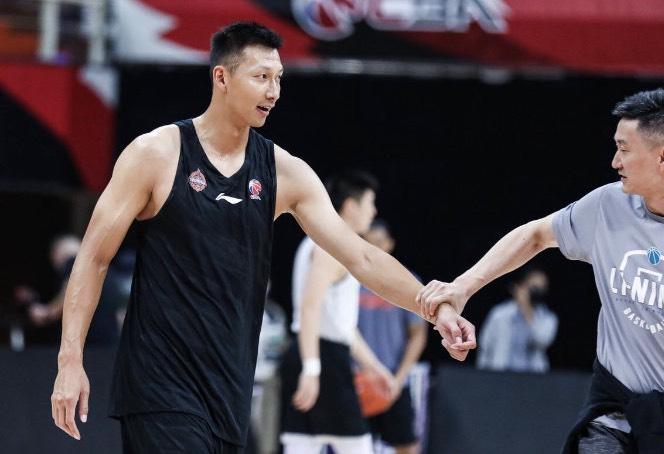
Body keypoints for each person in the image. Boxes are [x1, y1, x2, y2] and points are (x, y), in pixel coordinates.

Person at [50, 22, 475, 452]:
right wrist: (70, 359)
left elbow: (361, 257)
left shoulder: (283, 172)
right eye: (261, 77)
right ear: (221, 77)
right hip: (159, 385)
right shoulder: (155, 154)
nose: (273, 92)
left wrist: (433, 306)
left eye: (278, 79)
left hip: (229, 389)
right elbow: (94, 257)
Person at [419, 89, 664, 453]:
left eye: (624, 149)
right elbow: (535, 235)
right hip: (614, 413)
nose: (615, 161)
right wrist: (463, 286)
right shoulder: (609, 205)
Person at [281, 172, 397, 454]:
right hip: (322, 357)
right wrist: (312, 368)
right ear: (351, 206)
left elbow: (342, 324)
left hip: (313, 352)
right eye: (370, 203)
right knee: (357, 446)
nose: (374, 211)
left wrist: (373, 366)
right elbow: (310, 307)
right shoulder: (330, 248)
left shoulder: (321, 241)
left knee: (301, 445)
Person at [358, 219, 427, 454]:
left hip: (394, 381)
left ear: (389, 244)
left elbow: (418, 335)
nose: (375, 248)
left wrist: (399, 377)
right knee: (353, 446)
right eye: (369, 243)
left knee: (406, 446)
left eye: (379, 242)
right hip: (359, 379)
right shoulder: (348, 280)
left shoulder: (407, 281)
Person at [477, 268, 557, 373]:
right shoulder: (499, 313)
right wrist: (483, 373)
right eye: (532, 287)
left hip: (533, 375)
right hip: (500, 372)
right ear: (521, 286)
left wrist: (527, 310)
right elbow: (485, 344)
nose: (535, 292)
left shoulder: (547, 317)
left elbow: (542, 340)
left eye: (539, 289)